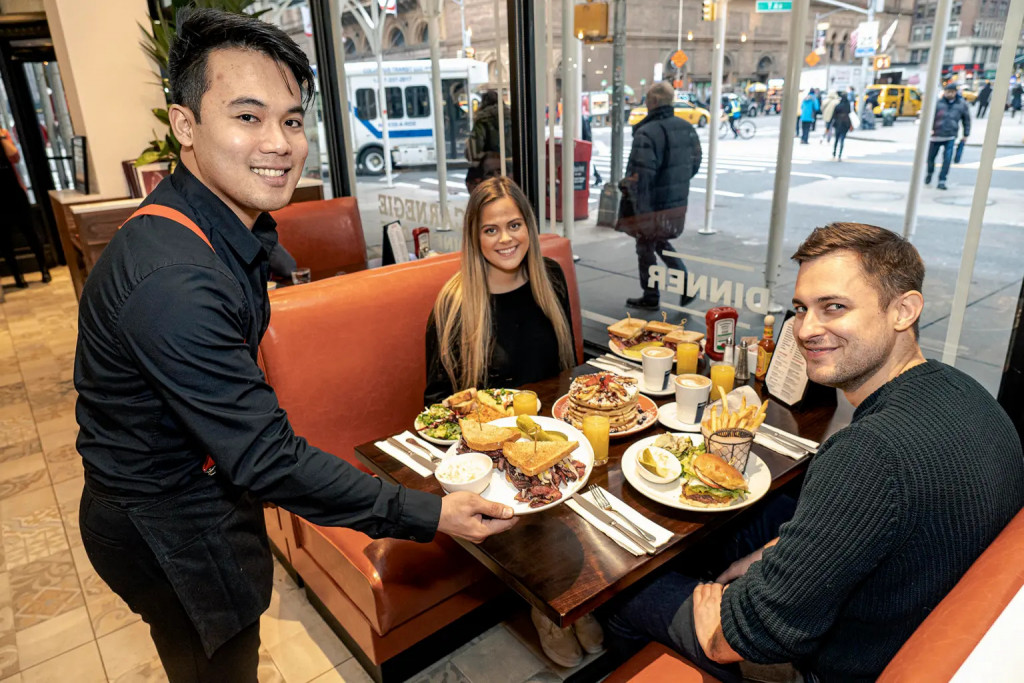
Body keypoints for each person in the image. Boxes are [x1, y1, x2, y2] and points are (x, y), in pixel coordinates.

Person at [74, 10, 517, 682]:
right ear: (185, 125)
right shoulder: (172, 278)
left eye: (290, 119)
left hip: (196, 491)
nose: (279, 142)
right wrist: (432, 510)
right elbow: (265, 458)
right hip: (165, 524)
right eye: (247, 117)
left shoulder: (216, 224)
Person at [604, 222, 1024, 683]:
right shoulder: (965, 390)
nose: (805, 330)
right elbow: (863, 528)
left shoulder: (869, 454)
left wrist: (716, 623)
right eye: (802, 309)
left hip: (839, 666)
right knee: (745, 529)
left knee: (628, 593)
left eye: (834, 307)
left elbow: (752, 635)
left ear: (904, 309)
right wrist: (770, 556)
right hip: (911, 608)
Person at [424, 176, 604, 668]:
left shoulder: (550, 277)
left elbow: (569, 370)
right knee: (532, 508)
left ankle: (581, 597)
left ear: (529, 225)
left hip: (558, 442)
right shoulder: (456, 302)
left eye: (515, 225)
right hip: (492, 459)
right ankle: (550, 609)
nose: (506, 239)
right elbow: (437, 402)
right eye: (490, 230)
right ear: (473, 237)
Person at [617, 82, 701, 310]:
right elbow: (694, 163)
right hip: (673, 202)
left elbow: (641, 177)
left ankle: (652, 295)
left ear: (651, 102)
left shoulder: (646, 132)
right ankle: (684, 284)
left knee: (646, 247)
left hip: (650, 204)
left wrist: (629, 192)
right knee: (658, 241)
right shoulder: (687, 128)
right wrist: (674, 185)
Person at [0, 127, 50, 288]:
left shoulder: (3, 133)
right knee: (4, 239)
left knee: (30, 231)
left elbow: (14, 156)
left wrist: (1, 137)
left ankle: (44, 268)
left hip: (14, 191)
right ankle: (17, 276)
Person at [465, 89, 512, 190]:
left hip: (491, 167)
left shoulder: (482, 120)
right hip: (512, 166)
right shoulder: (513, 117)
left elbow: (475, 149)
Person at [926, 83, 970, 190]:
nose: (949, 94)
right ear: (944, 92)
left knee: (947, 159)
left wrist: (966, 134)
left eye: (952, 92)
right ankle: (930, 173)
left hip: (950, 135)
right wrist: (929, 130)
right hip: (936, 134)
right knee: (930, 158)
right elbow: (929, 117)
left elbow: (966, 120)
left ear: (955, 92)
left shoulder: (961, 104)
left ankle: (942, 180)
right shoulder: (937, 103)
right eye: (947, 91)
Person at [831, 92, 852, 161]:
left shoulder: (838, 106)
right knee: (842, 139)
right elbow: (850, 113)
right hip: (845, 123)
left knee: (836, 139)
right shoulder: (848, 105)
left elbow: (833, 116)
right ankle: (839, 154)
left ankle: (834, 152)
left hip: (838, 123)